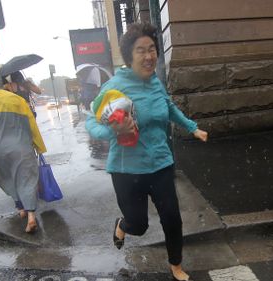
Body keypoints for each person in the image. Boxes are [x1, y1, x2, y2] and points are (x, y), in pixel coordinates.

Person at [85, 23, 208, 281]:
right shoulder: (113, 87)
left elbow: (169, 107)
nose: (149, 56)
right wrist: (113, 132)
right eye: (141, 50)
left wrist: (192, 127)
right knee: (139, 226)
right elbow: (92, 121)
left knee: (172, 218)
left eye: (152, 49)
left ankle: (175, 265)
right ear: (129, 56)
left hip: (161, 164)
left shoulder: (155, 83)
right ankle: (123, 225)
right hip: (126, 170)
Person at [0, 64, 46, 233]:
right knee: (26, 178)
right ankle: (31, 216)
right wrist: (39, 147)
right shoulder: (16, 99)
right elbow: (31, 127)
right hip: (21, 147)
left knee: (7, 177)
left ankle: (20, 209)